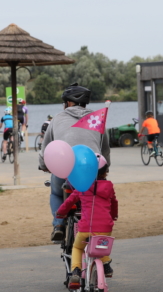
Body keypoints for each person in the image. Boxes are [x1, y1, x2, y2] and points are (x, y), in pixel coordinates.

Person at [39, 83, 111, 242]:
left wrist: (43, 166)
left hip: (64, 170)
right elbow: (105, 150)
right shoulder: (98, 118)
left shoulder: (57, 118)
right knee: (95, 195)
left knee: (56, 192)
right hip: (92, 169)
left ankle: (58, 225)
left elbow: (46, 148)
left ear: (68, 103)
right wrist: (105, 169)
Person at [56, 162, 118, 289]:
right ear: (105, 172)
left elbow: (69, 202)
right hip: (105, 227)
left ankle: (76, 272)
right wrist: (113, 216)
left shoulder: (82, 187)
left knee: (77, 248)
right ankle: (106, 264)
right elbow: (114, 204)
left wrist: (60, 213)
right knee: (101, 244)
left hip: (86, 229)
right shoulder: (109, 186)